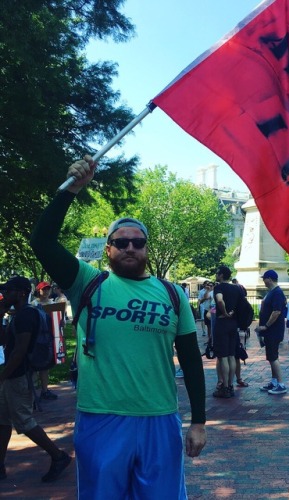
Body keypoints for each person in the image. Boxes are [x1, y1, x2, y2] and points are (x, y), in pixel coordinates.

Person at [30, 156, 206, 498]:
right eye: (121, 241)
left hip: (160, 418)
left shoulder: (172, 294)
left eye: (137, 242)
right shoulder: (87, 282)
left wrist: (198, 421)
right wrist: (71, 190)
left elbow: (191, 359)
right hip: (101, 419)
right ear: (108, 247)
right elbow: (43, 242)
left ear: (146, 249)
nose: (129, 247)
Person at [0, 276, 72, 483]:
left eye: (10, 290)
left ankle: (58, 456)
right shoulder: (20, 314)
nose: (6, 294)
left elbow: (19, 351)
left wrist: (3, 377)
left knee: (24, 421)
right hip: (13, 374)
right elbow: (5, 342)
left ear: (22, 292)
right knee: (3, 420)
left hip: (19, 375)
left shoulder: (25, 316)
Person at [255, 270, 287, 395]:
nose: (263, 281)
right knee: (271, 356)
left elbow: (276, 312)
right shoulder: (272, 292)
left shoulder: (277, 293)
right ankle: (274, 382)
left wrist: (266, 326)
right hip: (270, 331)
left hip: (273, 330)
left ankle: (281, 384)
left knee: (273, 357)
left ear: (270, 279)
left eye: (264, 278)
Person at [212, 266, 240, 398]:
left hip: (222, 322)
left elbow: (219, 300)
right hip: (233, 324)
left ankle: (225, 387)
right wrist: (233, 313)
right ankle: (231, 385)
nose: (216, 275)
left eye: (217, 273)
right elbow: (242, 305)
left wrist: (224, 313)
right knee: (231, 355)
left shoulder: (219, 287)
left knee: (222, 356)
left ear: (221, 275)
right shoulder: (236, 288)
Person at [31, 281, 58, 401]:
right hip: (37, 339)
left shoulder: (53, 303)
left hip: (49, 338)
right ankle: (31, 393)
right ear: (39, 291)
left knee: (45, 366)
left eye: (48, 289)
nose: (46, 291)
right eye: (44, 289)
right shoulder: (33, 304)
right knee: (34, 366)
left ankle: (44, 390)